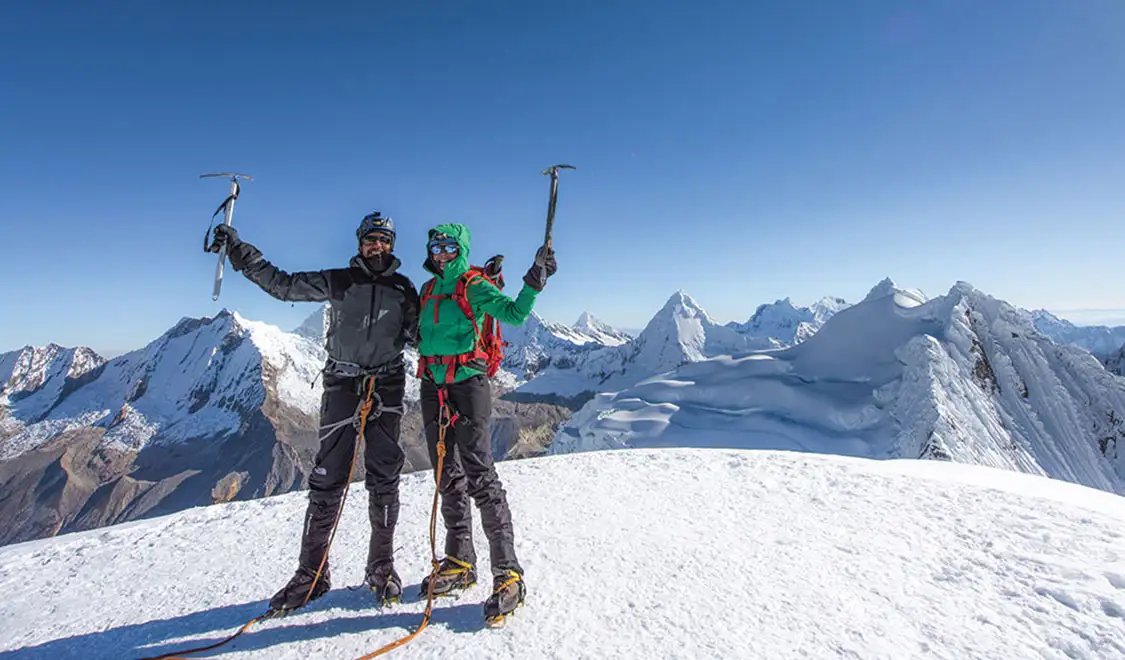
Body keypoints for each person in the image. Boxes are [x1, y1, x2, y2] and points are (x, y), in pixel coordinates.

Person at [207, 211, 420, 613]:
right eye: (371, 240)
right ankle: (312, 574)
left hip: (387, 386)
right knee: (327, 479)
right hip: (342, 385)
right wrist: (238, 250)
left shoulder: (404, 289)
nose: (377, 246)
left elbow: (422, 334)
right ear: (360, 243)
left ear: (392, 245)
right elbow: (283, 285)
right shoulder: (339, 280)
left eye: (384, 240)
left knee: (385, 479)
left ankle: (381, 568)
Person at [413, 223, 557, 622]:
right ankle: (461, 561)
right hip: (432, 386)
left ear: (460, 249)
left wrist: (534, 280)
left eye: (448, 246)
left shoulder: (473, 285)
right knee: (447, 473)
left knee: (480, 475)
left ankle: (508, 572)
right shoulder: (427, 290)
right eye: (435, 246)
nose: (440, 252)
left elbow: (514, 312)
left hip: (467, 386)